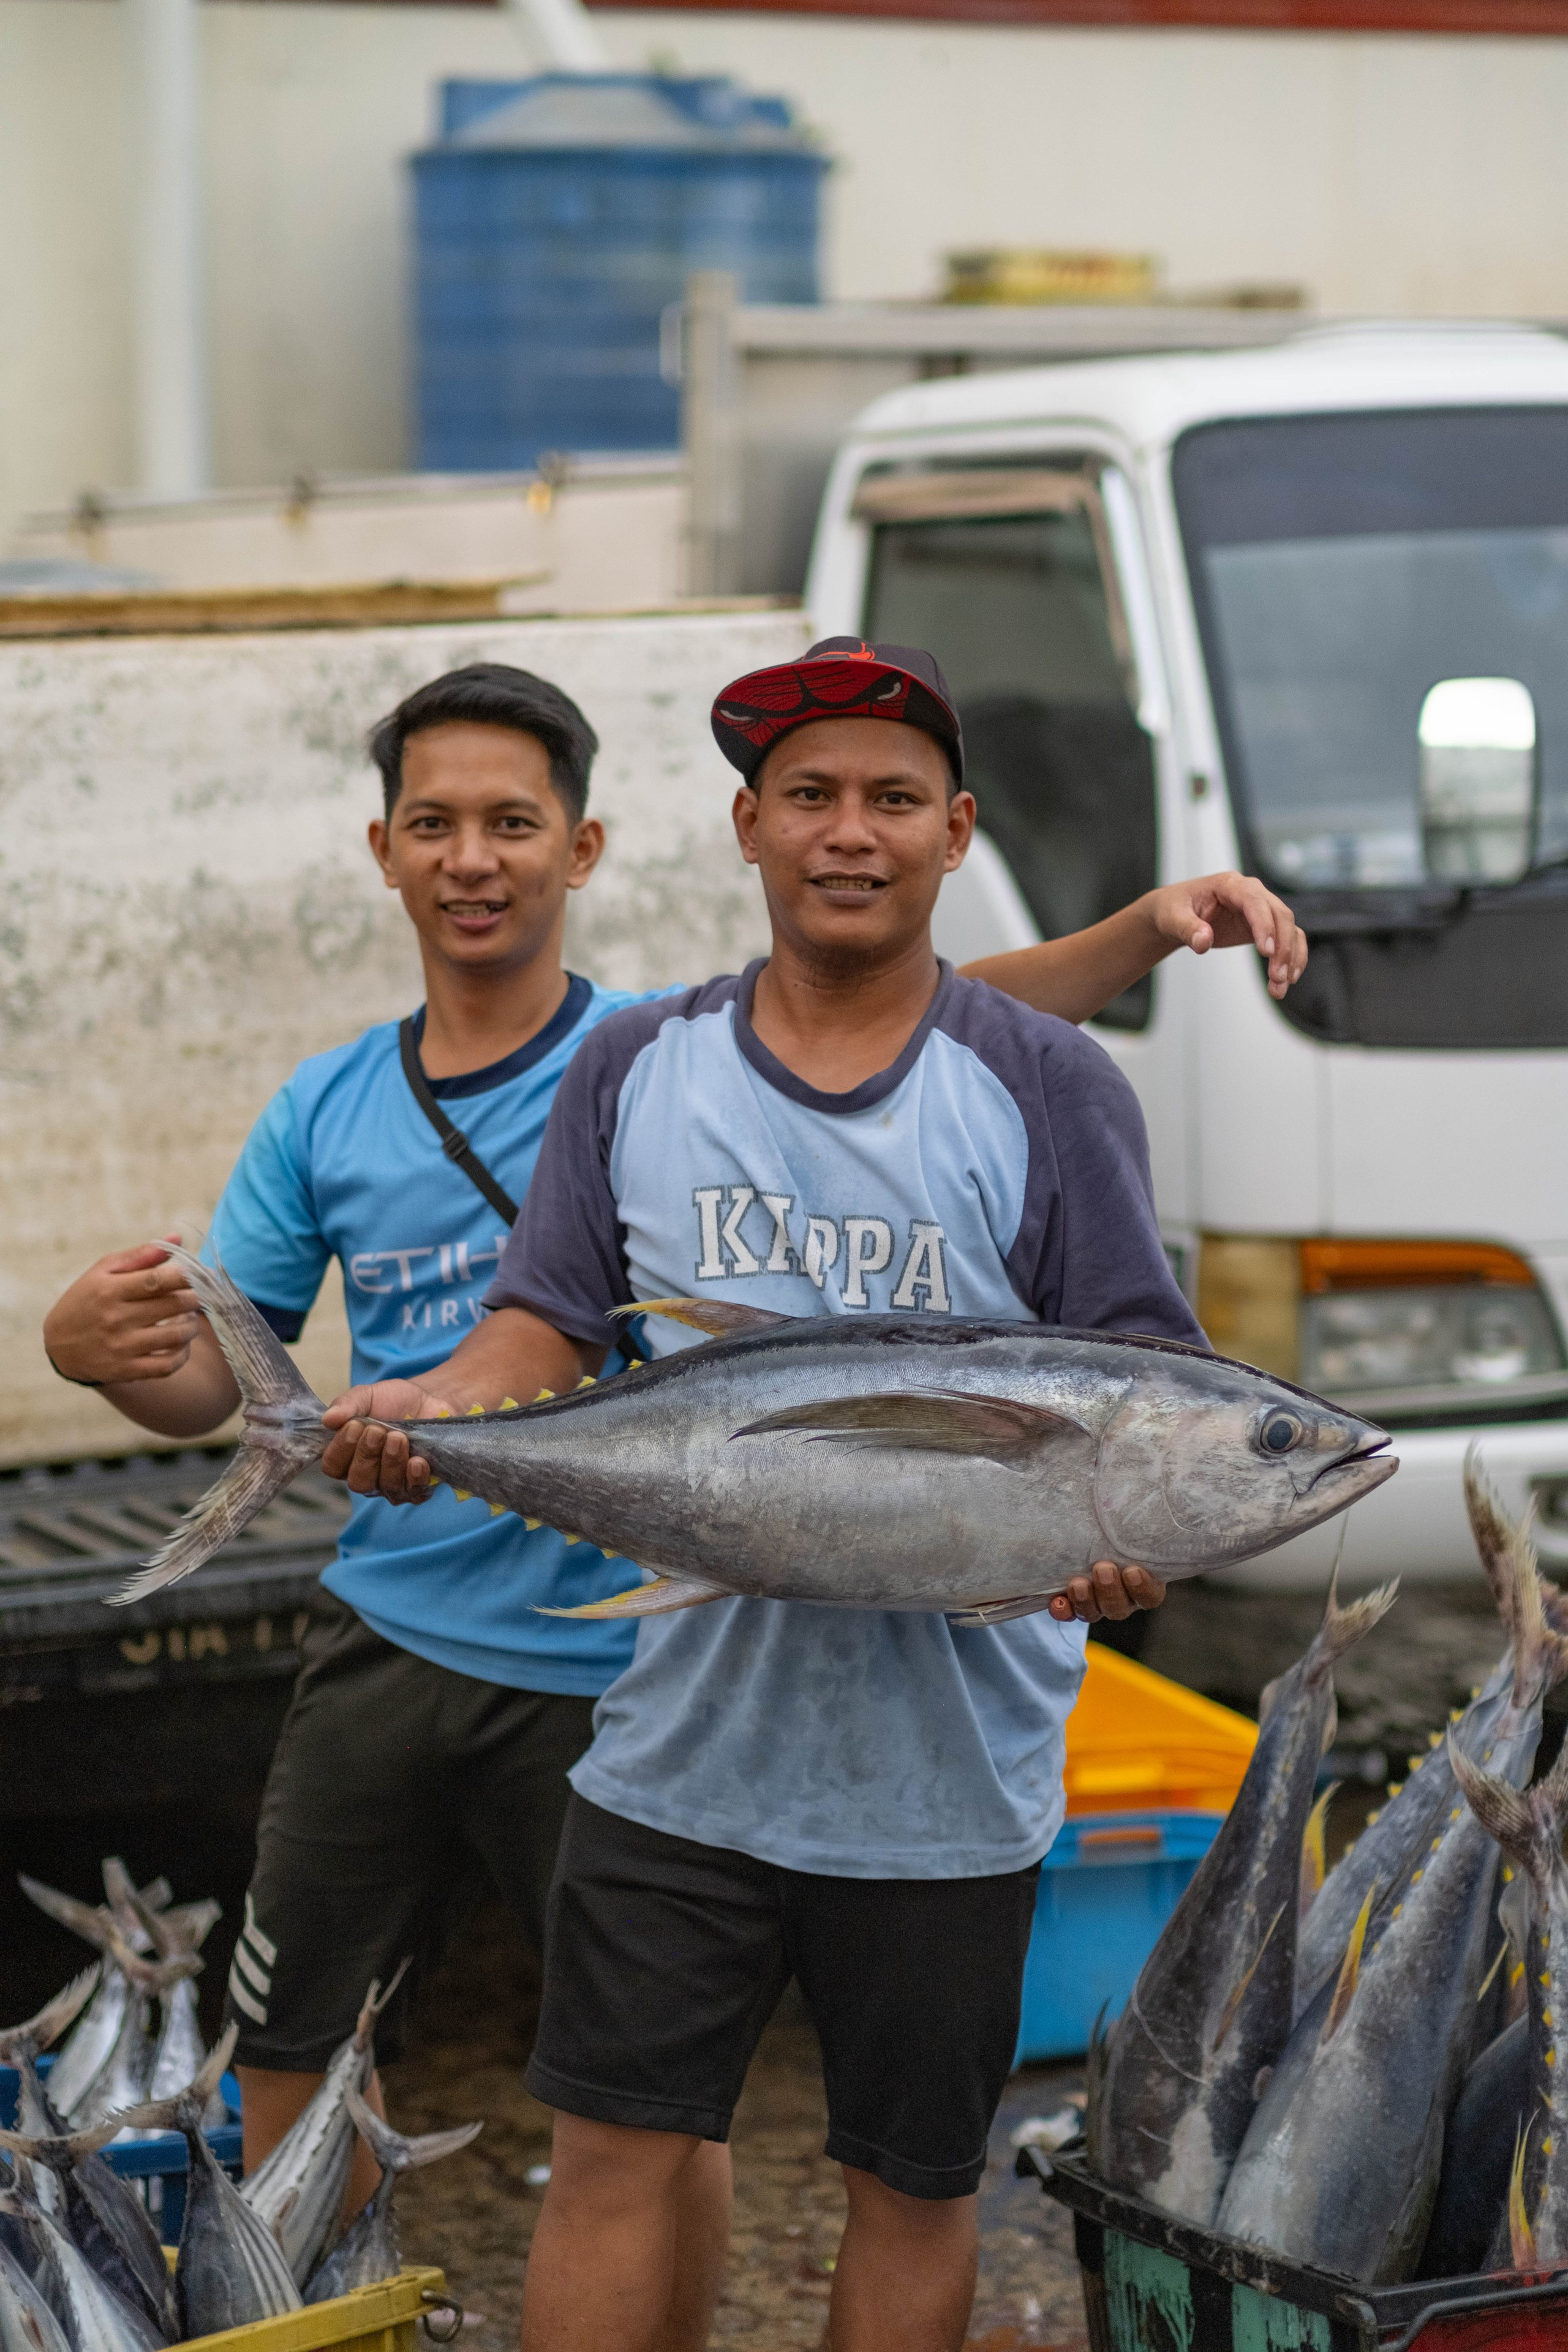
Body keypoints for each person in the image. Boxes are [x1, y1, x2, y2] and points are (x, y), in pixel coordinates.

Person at [41, 654, 1302, 2215]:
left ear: (584, 849)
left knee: (654, 2120)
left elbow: (936, 1008)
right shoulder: (333, 1104)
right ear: (383, 852)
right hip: (407, 1623)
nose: (471, 858)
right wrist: (105, 1361)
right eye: (431, 822)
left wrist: (1139, 930)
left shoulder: (651, 1042)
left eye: (512, 820)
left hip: (605, 1660)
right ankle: (307, 2286)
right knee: (317, 2036)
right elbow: (245, 1380)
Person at [318, 638, 1243, 2352]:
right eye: (808, 795)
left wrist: (1129, 1559)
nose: (849, 831)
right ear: (746, 826)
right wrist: (433, 1412)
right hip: (679, 1754)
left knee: (914, 2183)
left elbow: (1142, 1382)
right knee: (610, 2156)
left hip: (949, 1784)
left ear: (955, 834)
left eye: (893, 798)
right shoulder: (638, 1068)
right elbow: (543, 1324)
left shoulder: (1047, 1087)